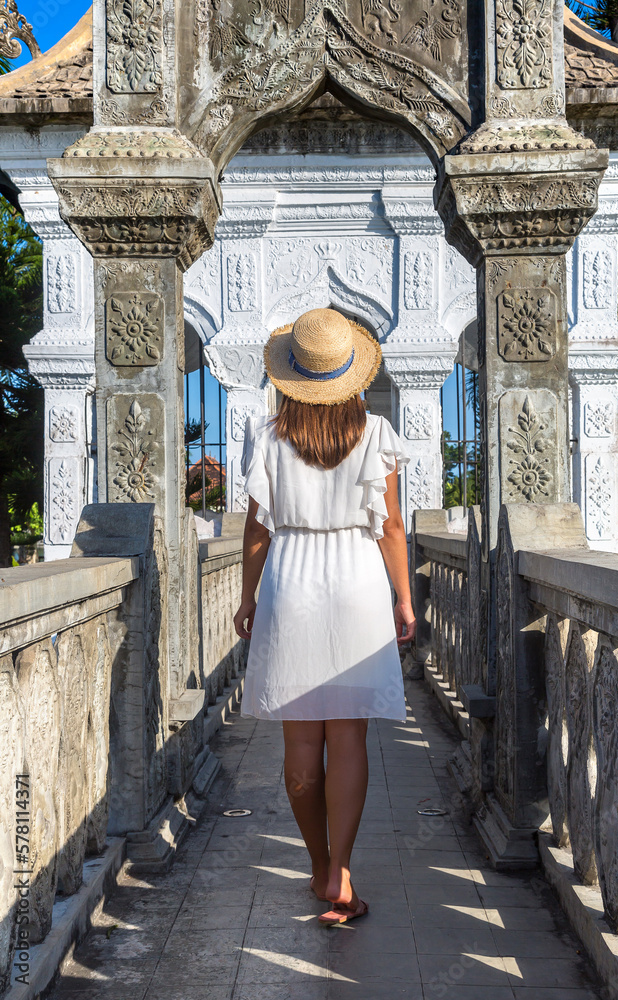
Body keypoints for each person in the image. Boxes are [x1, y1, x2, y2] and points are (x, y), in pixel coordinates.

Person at [233, 308, 417, 926]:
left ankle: (318, 870)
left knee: (301, 741)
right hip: (358, 582)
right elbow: (391, 528)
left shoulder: (269, 438)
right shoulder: (375, 433)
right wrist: (404, 597)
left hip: (293, 583)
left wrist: (248, 597)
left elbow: (257, 533)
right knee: (349, 737)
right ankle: (341, 872)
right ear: (352, 376)